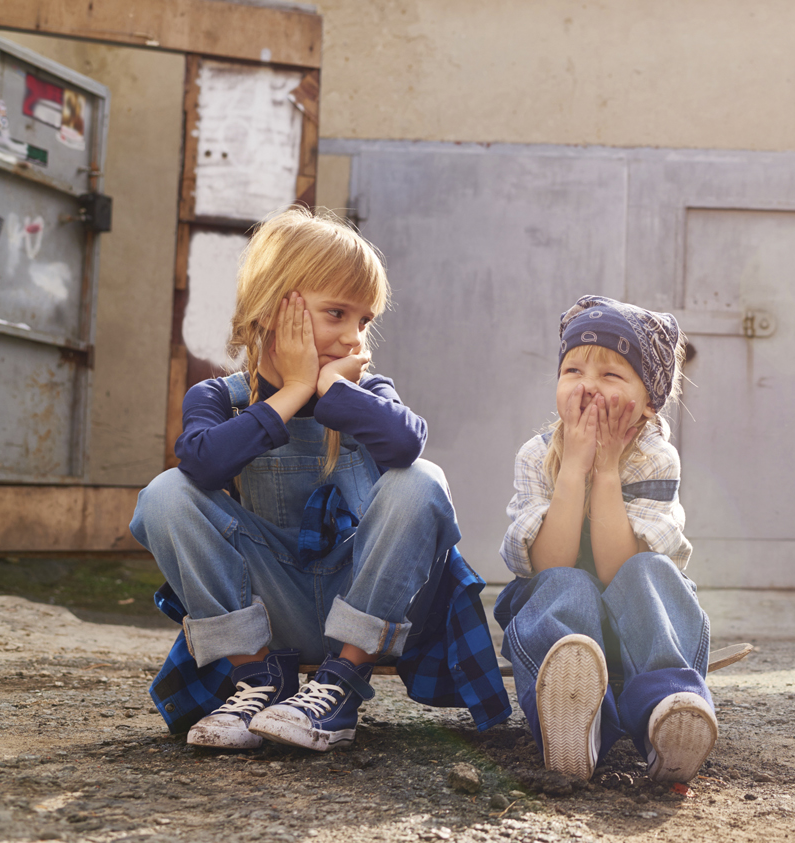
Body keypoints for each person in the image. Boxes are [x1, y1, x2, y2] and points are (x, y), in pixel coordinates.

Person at [130, 206, 508, 751]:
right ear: (271, 306)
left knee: (421, 480)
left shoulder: (367, 395)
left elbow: (406, 445)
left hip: (365, 603)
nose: (354, 337)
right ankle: (256, 682)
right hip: (269, 610)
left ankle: (339, 685)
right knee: (165, 494)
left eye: (365, 321)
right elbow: (204, 465)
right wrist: (290, 395)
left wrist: (332, 393)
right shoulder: (218, 398)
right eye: (337, 313)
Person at [493, 295, 716, 783]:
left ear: (649, 400)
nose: (588, 386)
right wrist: (573, 467)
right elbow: (550, 563)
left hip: (634, 620)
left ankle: (667, 712)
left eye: (611, 375)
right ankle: (573, 719)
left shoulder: (656, 458)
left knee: (651, 570)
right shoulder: (537, 455)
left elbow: (620, 571)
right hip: (564, 620)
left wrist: (608, 470)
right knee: (564, 585)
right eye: (573, 370)